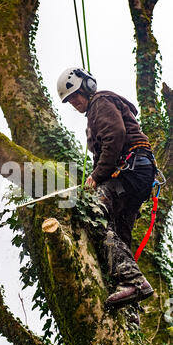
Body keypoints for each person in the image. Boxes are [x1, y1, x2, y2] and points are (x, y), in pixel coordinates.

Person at [57, 67, 156, 309]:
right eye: (69, 101)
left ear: (86, 88)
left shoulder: (100, 102)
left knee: (92, 212)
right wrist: (98, 176)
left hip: (130, 172)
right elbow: (108, 145)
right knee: (119, 234)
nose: (74, 103)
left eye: (75, 96)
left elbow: (115, 136)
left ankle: (133, 281)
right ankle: (131, 307)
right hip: (136, 176)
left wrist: (97, 175)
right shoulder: (98, 109)